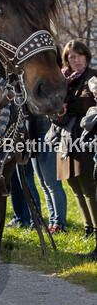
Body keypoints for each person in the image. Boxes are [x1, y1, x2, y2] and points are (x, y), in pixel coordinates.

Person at [54, 39, 97, 242]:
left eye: (79, 55)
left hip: (86, 138)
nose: (76, 60)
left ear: (86, 56)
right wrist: (59, 110)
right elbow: (53, 111)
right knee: (74, 186)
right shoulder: (62, 81)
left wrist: (67, 103)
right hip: (65, 139)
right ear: (67, 60)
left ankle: (96, 228)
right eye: (72, 57)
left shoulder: (93, 77)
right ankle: (88, 229)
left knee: (89, 186)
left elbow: (88, 104)